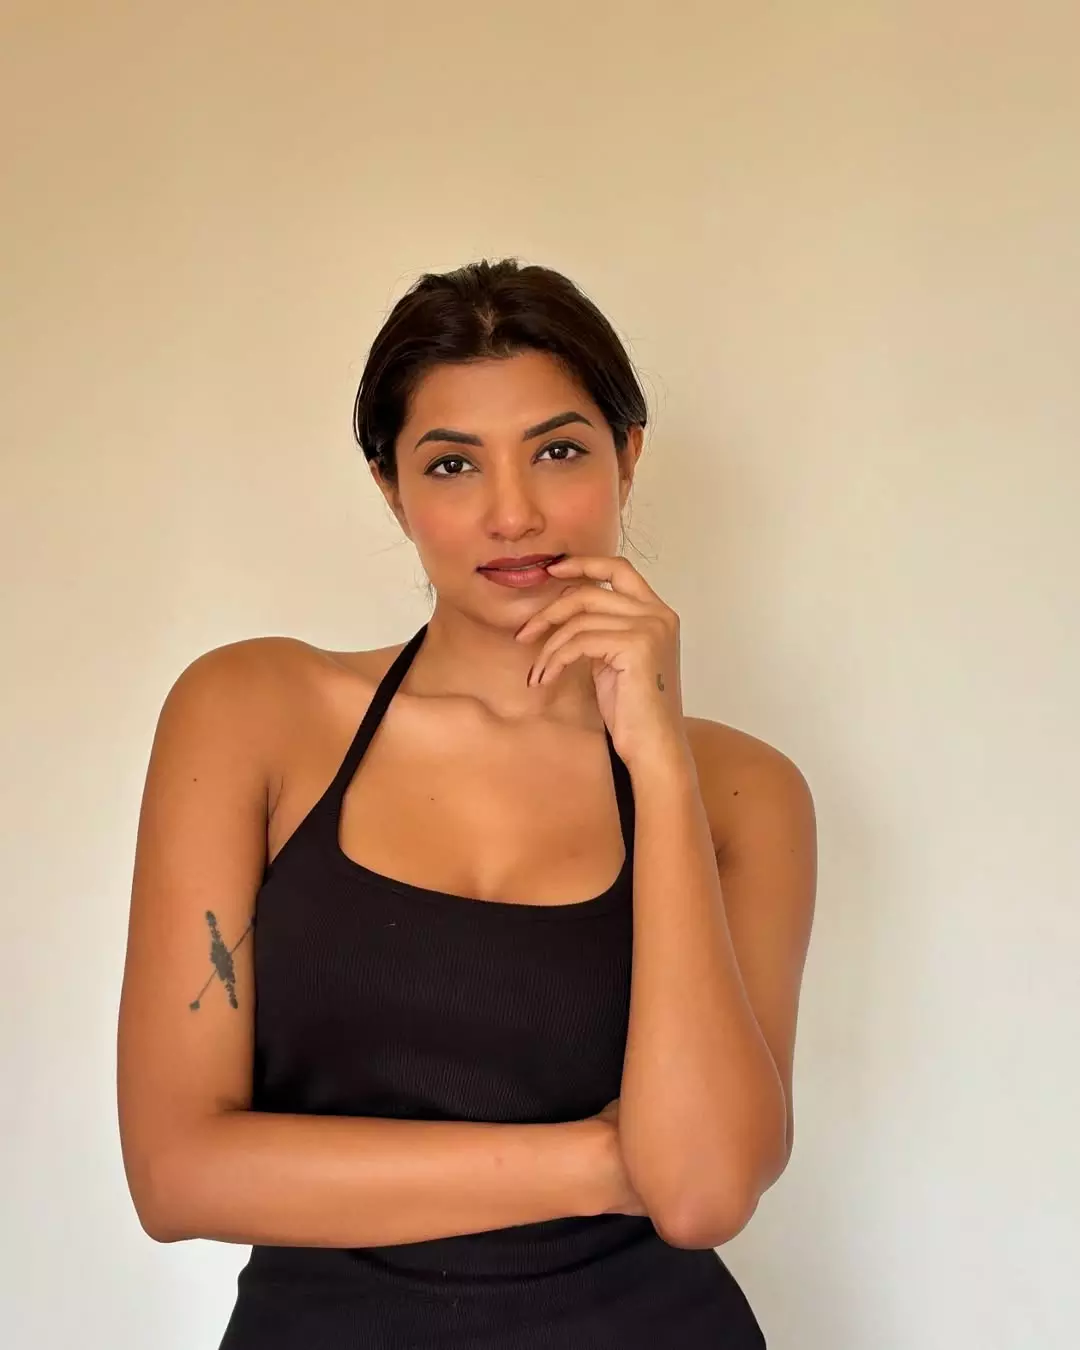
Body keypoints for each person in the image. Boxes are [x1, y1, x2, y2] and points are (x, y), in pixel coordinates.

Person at [117, 258, 817, 1348]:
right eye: (452, 464)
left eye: (559, 451)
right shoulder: (252, 713)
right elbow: (177, 1175)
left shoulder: (741, 792)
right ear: (391, 489)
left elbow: (701, 1193)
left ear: (628, 458)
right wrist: (598, 1160)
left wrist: (658, 765)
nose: (513, 513)